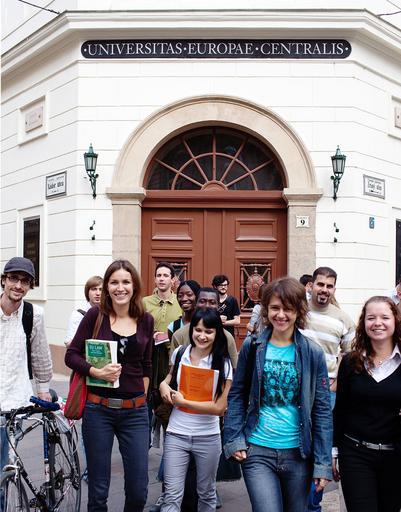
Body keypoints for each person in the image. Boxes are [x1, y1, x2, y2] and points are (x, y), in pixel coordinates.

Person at [224, 277, 332, 512]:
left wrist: (322, 463)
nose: (281, 315)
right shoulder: (253, 347)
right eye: (275, 308)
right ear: (266, 309)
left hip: (298, 452)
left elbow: (322, 410)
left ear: (298, 311)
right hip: (257, 449)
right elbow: (237, 394)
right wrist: (234, 438)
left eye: (288, 309)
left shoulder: (312, 353)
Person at [65, 259, 153, 512]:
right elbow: (71, 355)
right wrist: (96, 372)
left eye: (126, 282)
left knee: (138, 491)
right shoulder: (96, 316)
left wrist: (141, 398)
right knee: (98, 491)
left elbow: (147, 365)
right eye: (114, 282)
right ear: (106, 287)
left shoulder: (145, 320)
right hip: (98, 411)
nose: (120, 288)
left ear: (134, 286)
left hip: (135, 413)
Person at [159, 308, 233, 512]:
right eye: (198, 330)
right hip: (176, 433)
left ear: (217, 333)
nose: (202, 336)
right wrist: (163, 386)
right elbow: (168, 378)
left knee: (207, 493)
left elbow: (219, 408)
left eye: (208, 331)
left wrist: (185, 403)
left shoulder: (223, 363)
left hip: (208, 436)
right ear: (191, 330)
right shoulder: (180, 353)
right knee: (171, 495)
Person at [332, 296, 401, 512]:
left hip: (395, 457)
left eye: (384, 317)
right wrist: (333, 451)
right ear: (363, 323)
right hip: (355, 453)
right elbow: (340, 410)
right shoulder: (350, 362)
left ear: (395, 321)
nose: (377, 323)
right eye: (371, 318)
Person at [301, 266, 355, 512]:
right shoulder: (298, 311)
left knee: (320, 448)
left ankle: (313, 506)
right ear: (311, 285)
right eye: (320, 284)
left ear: (334, 289)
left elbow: (350, 355)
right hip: (294, 389)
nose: (324, 289)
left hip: (326, 391)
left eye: (329, 286)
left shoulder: (343, 319)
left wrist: (337, 383)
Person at [1, 257, 53, 510]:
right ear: (3, 280)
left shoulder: (33, 315)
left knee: (3, 467)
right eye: (14, 279)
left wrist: (43, 391)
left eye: (25, 281)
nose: (19, 285)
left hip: (14, 401)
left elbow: (40, 356)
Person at [170, 288, 238, 370]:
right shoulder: (178, 335)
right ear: (195, 304)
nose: (207, 306)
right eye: (202, 301)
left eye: (212, 303)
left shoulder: (227, 337)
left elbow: (235, 369)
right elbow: (172, 370)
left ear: (218, 306)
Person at [143, 262, 182, 393]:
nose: (161, 278)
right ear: (155, 279)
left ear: (172, 280)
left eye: (165, 275)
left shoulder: (180, 302)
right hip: (150, 355)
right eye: (158, 275)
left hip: (172, 356)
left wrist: (166, 336)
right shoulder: (145, 302)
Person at [65, 275, 103, 347]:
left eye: (101, 289)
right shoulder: (78, 314)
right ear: (87, 292)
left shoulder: (110, 313)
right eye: (94, 289)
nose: (98, 293)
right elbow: (68, 343)